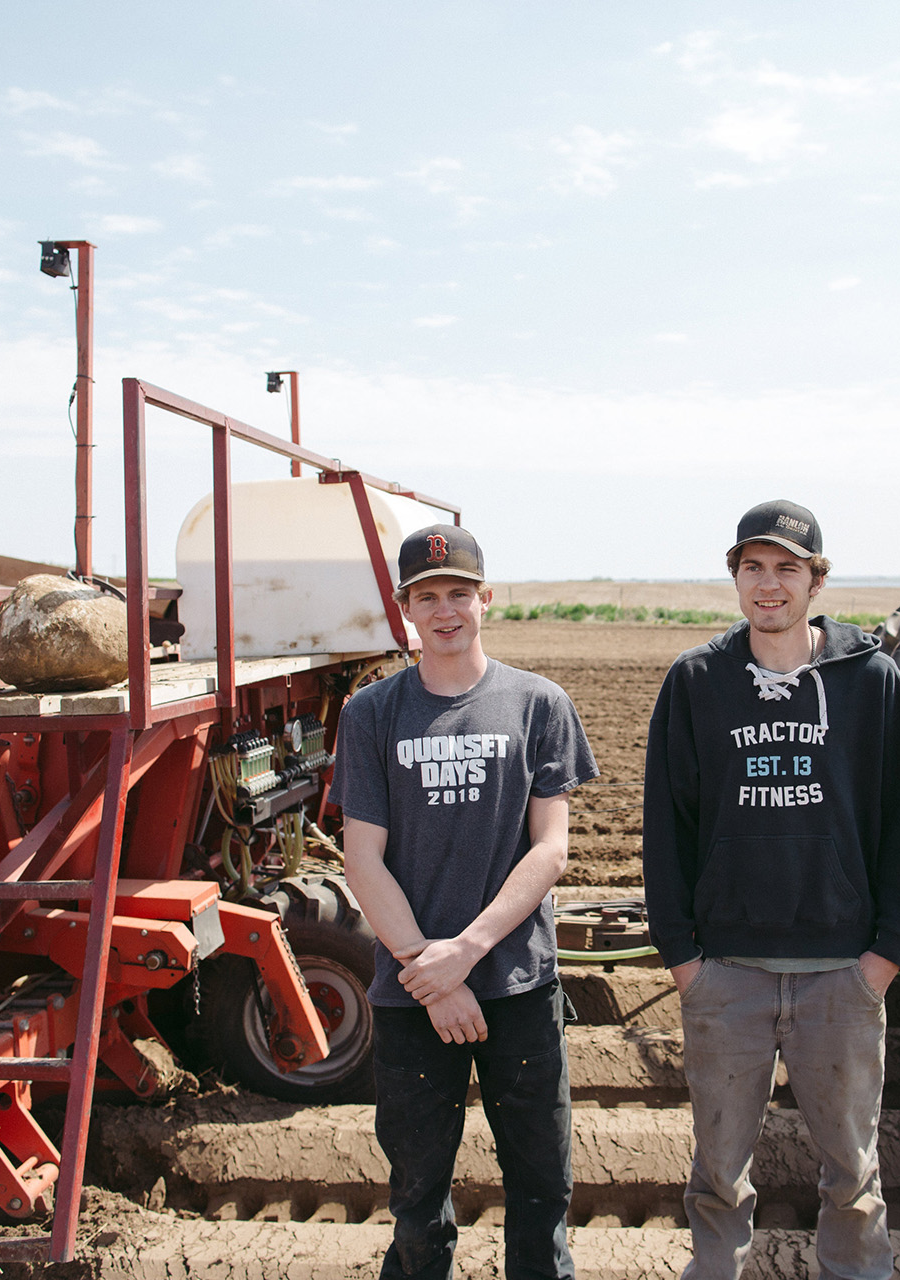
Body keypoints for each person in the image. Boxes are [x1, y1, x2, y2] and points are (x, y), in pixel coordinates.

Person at [642, 499, 900, 1280]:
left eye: (787, 569)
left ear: (816, 580)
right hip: (727, 976)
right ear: (736, 577)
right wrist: (684, 961)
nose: (769, 585)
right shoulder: (698, 682)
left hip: (841, 975)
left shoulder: (871, 683)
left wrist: (886, 955)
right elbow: (665, 828)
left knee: (854, 1179)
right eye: (753, 568)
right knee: (718, 1179)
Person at [331, 523, 598, 1280]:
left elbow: (550, 849)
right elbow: (363, 855)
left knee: (542, 1190)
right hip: (412, 992)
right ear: (405, 608)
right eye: (426, 596)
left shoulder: (538, 704)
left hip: (516, 984)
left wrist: (466, 955)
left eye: (459, 593)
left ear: (486, 599)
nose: (444, 609)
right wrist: (427, 969)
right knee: (418, 1196)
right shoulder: (373, 714)